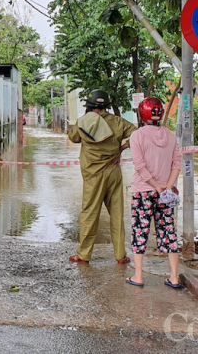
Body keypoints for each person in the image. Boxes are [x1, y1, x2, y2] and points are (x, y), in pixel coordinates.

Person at [67, 89, 136, 264]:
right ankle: (120, 255)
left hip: (93, 175)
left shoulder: (83, 122)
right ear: (106, 105)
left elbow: (73, 138)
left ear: (89, 106)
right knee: (117, 213)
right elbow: (138, 134)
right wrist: (122, 148)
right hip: (114, 173)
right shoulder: (118, 122)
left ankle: (84, 254)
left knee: (89, 213)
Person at [125, 97, 182, 288]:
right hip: (165, 193)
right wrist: (168, 185)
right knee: (168, 230)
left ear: (142, 114)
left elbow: (140, 166)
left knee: (140, 230)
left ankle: (138, 276)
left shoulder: (137, 136)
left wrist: (155, 185)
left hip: (143, 191)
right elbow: (177, 164)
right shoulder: (171, 136)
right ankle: (174, 277)